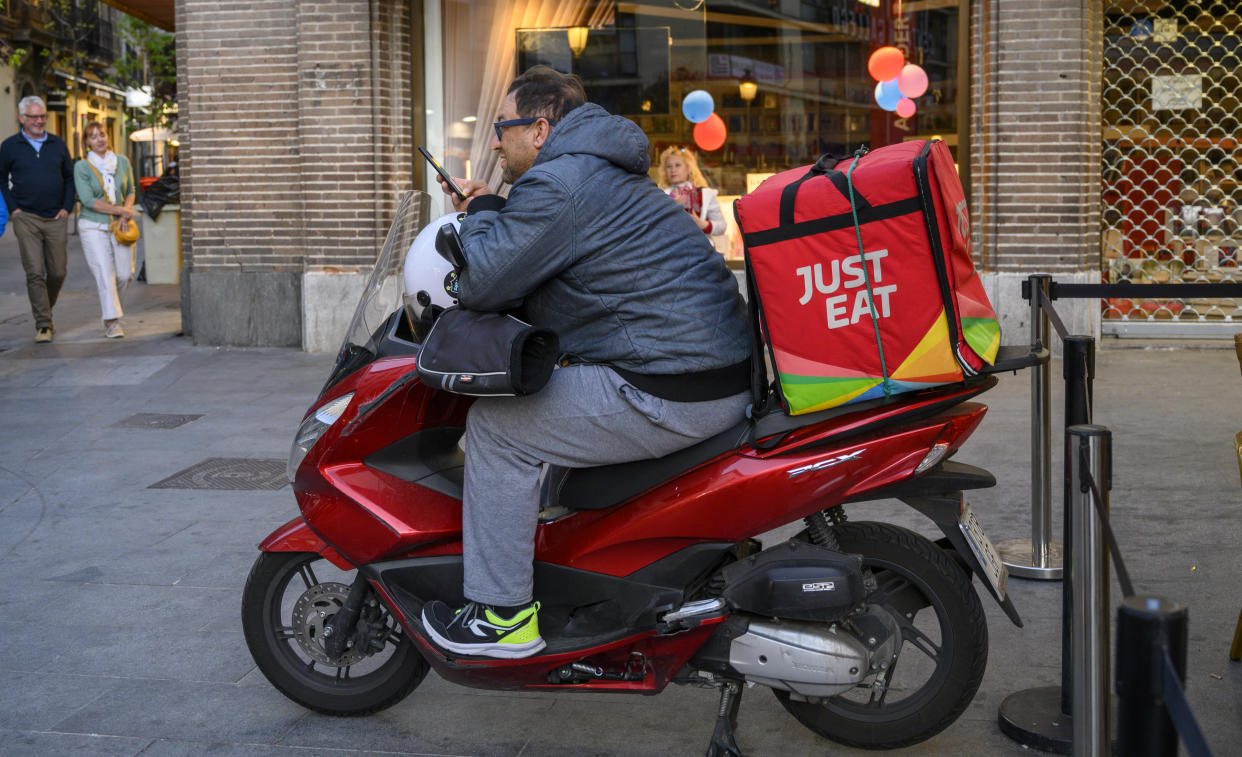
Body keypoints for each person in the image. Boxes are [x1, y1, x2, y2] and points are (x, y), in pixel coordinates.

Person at [420, 66, 752, 659]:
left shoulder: (561, 184)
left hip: (671, 386)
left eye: (503, 127)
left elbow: (484, 284)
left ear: (540, 129)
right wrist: (494, 208)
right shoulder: (593, 173)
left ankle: (502, 616)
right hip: (704, 371)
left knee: (496, 429)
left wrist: (485, 212)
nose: (495, 140)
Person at [0, 96, 75, 344]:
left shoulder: (57, 144)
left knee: (57, 272)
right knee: (35, 272)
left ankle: (45, 309)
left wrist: (66, 208)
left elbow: (69, 177)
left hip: (56, 217)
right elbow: (1, 180)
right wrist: (14, 210)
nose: (39, 121)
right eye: (33, 117)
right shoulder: (10, 146)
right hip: (26, 218)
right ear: (22, 118)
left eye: (42, 116)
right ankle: (43, 324)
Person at [73, 121, 137, 338]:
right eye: (93, 137)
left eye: (102, 134)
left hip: (120, 225)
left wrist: (125, 211)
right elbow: (88, 200)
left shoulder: (122, 161)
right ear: (87, 142)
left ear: (108, 136)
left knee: (124, 274)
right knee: (104, 273)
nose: (99, 139)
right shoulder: (82, 167)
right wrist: (120, 210)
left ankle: (112, 309)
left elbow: (130, 190)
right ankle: (112, 321)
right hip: (93, 225)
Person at [658, 146, 726, 238]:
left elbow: (722, 226)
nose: (673, 170)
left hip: (700, 249)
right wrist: (672, 208)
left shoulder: (705, 194)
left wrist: (701, 224)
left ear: (689, 168)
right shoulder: (660, 196)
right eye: (669, 166)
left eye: (678, 165)